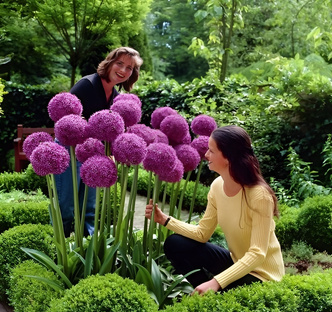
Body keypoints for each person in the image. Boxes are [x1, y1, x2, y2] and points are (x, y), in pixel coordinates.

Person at [145, 125, 285, 295]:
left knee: (232, 285)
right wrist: (165, 220)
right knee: (175, 244)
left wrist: (217, 281)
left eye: (211, 151)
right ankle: (207, 293)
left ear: (227, 157)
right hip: (237, 263)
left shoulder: (259, 196)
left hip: (263, 276)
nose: (206, 155)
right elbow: (202, 233)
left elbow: (257, 254)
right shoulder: (217, 186)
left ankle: (215, 290)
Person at [55, 47, 143, 237]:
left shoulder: (116, 97)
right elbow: (65, 123)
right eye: (120, 63)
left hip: (93, 154)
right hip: (69, 150)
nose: (123, 70)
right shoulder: (86, 85)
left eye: (129, 68)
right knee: (66, 206)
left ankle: (87, 249)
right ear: (109, 62)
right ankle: (60, 251)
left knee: (89, 208)